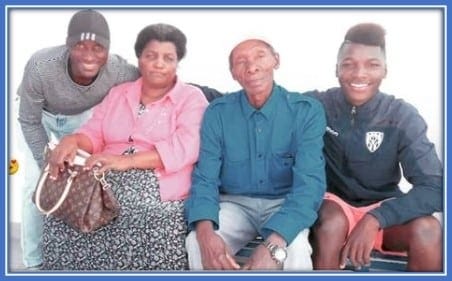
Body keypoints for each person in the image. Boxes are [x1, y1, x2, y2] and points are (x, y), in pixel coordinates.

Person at [42, 23, 208, 270]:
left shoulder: (191, 98)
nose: (159, 64)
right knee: (63, 207)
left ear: (177, 62)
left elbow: (186, 147)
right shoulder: (119, 93)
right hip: (105, 172)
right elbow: (94, 132)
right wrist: (73, 141)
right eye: (151, 56)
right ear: (139, 59)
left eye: (168, 58)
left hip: (159, 179)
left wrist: (126, 161)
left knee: (132, 207)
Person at [309, 23, 443, 271]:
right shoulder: (318, 105)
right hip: (334, 206)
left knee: (429, 230)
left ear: (385, 70)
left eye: (372, 64)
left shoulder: (401, 116)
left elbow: (435, 186)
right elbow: (268, 101)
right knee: (331, 224)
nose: (360, 73)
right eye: (349, 64)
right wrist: (211, 97)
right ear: (336, 69)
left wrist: (376, 218)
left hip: (383, 210)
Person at [185, 38, 326, 270]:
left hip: (284, 203)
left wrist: (274, 243)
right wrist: (204, 232)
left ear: (276, 60)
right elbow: (205, 178)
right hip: (234, 204)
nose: (252, 67)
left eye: (260, 56)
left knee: (296, 249)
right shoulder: (218, 113)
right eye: (241, 62)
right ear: (233, 74)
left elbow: (309, 185)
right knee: (196, 243)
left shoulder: (305, 111)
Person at [16, 9, 140, 269]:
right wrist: (47, 164)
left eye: (98, 47)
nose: (89, 55)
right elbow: (28, 120)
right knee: (34, 185)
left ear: (108, 49)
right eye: (80, 46)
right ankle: (34, 264)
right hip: (41, 117)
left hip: (81, 121)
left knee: (81, 184)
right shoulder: (41, 66)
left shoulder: (119, 70)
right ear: (68, 44)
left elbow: (155, 80)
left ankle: (73, 256)